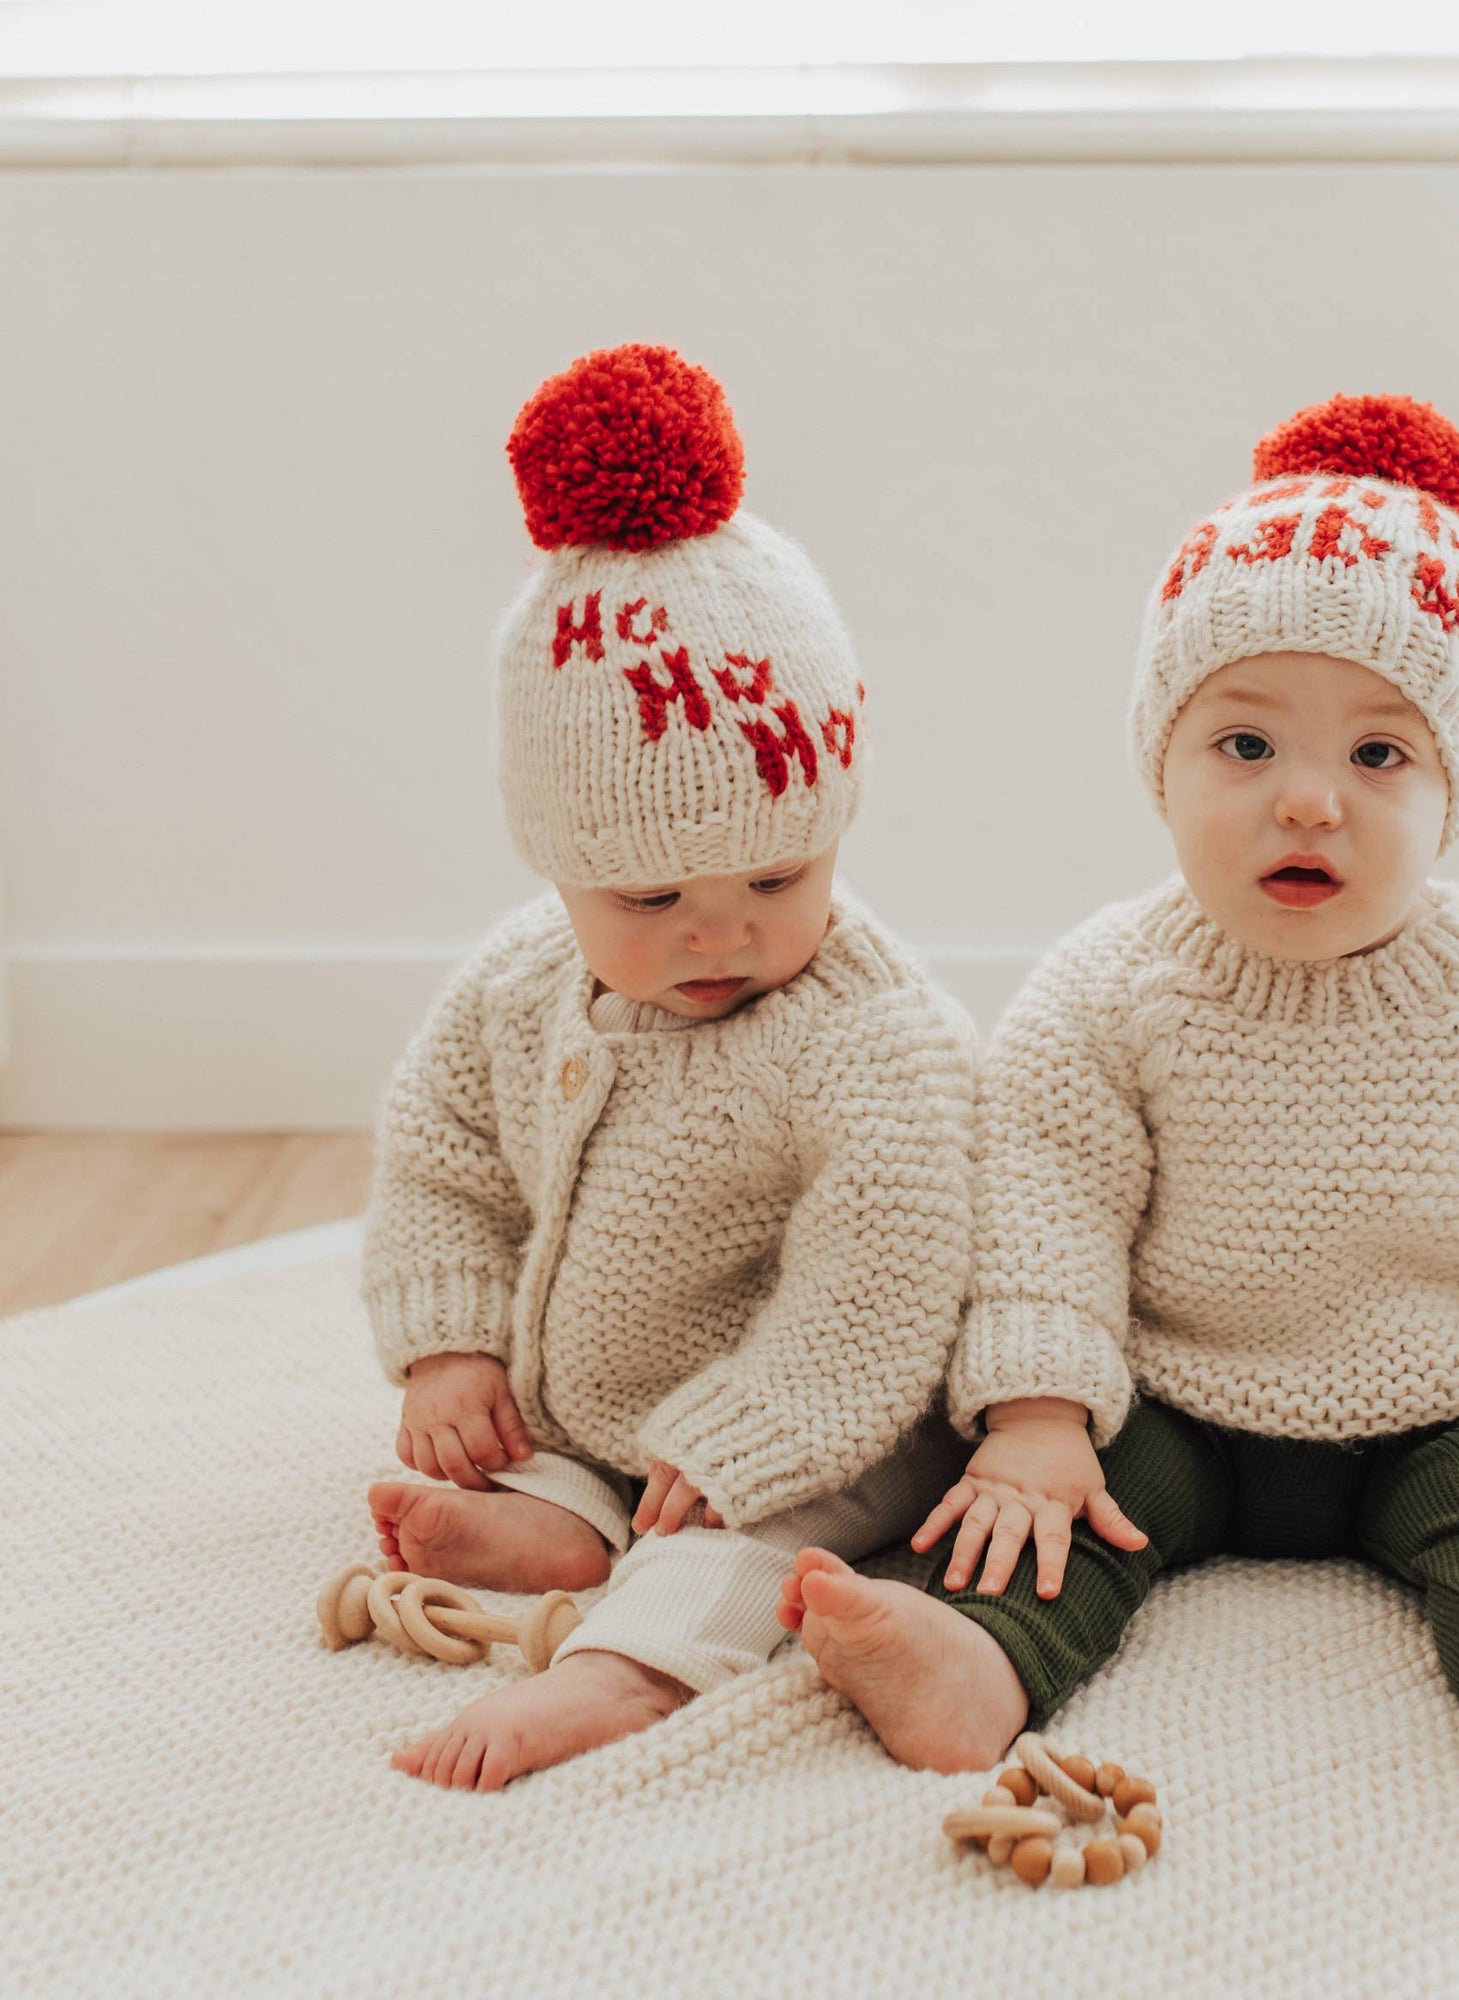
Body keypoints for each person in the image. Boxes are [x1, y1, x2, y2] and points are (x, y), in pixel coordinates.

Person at [780, 393, 1459, 1828]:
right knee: (1062, 1522)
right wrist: (1042, 1411)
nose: (1308, 802)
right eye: (1246, 747)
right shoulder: (1110, 987)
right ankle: (976, 1666)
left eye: (1379, 756)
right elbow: (1041, 1197)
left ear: (1452, 791)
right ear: (1163, 761)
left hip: (1453, 1405)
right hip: (1182, 1393)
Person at [361, 343, 975, 1790]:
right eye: (648, 900)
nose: (723, 931)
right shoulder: (519, 985)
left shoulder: (865, 1033)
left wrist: (766, 1423)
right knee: (542, 1448)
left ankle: (625, 1670)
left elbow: (889, 1257)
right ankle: (564, 1513)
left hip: (846, 1413)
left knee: (734, 1537)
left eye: (778, 874)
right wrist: (452, 1340)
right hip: (615, 1399)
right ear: (559, 864)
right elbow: (440, 1153)